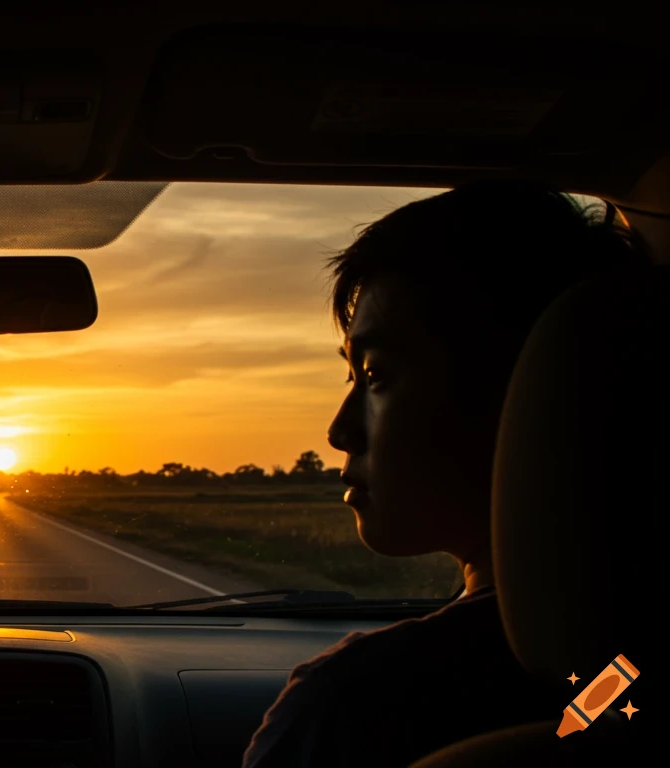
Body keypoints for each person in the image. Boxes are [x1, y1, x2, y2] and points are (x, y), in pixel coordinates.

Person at [241, 181, 650, 768]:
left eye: (376, 375)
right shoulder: (616, 679)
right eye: (351, 376)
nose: (339, 430)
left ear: (532, 393)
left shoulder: (363, 708)